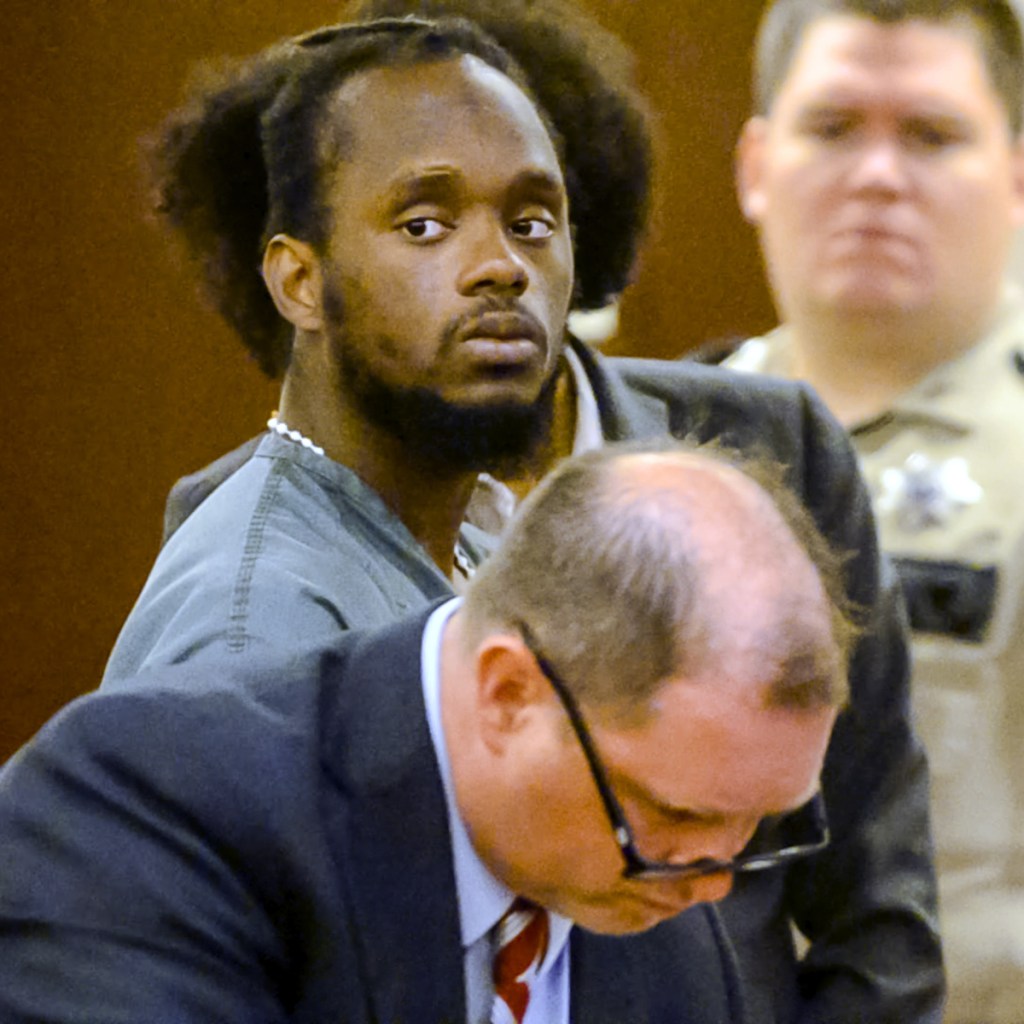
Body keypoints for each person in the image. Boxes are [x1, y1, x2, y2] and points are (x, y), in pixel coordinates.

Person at [101, 5, 943, 1023]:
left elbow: (875, 912)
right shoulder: (249, 626)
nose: (498, 264)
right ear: (296, 278)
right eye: (425, 223)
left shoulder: (452, 524)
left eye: (531, 221)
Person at [1, 441, 853, 1023]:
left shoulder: (671, 938)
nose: (712, 882)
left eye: (768, 821)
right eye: (673, 813)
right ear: (509, 692)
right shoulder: (147, 812)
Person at [726, 0, 1024, 1018]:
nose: (877, 176)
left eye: (932, 135)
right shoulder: (645, 444)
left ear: (1019, 176)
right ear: (755, 165)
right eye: (833, 127)